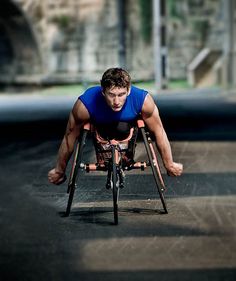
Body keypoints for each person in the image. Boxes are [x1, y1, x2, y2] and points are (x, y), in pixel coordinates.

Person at [48, 68, 183, 185]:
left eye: (121, 94)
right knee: (81, 130)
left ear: (128, 90)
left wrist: (169, 164)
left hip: (128, 130)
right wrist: (59, 170)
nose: (116, 101)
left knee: (132, 127)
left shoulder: (143, 100)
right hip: (100, 130)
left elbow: (159, 131)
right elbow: (69, 136)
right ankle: (105, 157)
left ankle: (126, 157)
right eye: (111, 95)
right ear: (103, 92)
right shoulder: (85, 104)